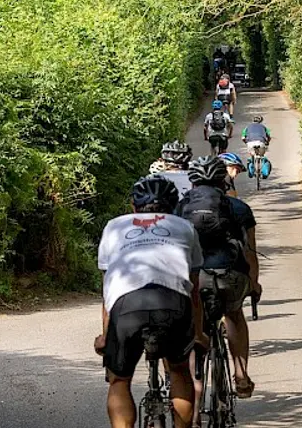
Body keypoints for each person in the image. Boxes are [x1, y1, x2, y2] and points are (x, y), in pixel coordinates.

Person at [94, 175, 206, 428]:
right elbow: (194, 289)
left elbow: (109, 286)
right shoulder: (184, 227)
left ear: (133, 206)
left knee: (120, 380)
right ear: (174, 205)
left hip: (127, 306)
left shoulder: (114, 226)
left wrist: (105, 336)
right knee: (179, 371)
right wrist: (198, 334)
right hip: (173, 303)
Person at [177, 156, 261, 409]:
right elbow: (250, 252)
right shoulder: (239, 208)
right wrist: (254, 285)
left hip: (193, 278)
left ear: (192, 183)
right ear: (222, 181)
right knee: (234, 313)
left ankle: (193, 386)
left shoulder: (180, 208)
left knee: (193, 326)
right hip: (229, 276)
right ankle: (241, 374)